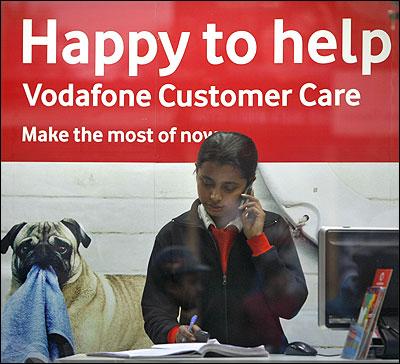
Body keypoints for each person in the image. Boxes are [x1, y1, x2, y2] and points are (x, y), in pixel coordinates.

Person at [141, 131, 308, 353]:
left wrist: (258, 242)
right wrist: (174, 333)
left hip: (265, 357)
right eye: (206, 182)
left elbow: (289, 306)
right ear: (196, 170)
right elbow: (155, 309)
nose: (214, 196)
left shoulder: (272, 228)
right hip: (200, 356)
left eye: (228, 187)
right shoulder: (174, 234)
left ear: (250, 184)